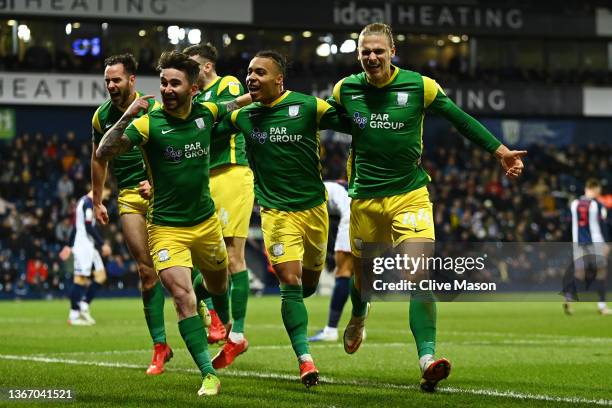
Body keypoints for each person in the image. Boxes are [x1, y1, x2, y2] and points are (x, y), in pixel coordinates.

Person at [329, 23, 527, 392]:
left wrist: (500, 152)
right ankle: (358, 315)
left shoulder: (421, 86)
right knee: (361, 279)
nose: (372, 57)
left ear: (392, 53)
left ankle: (427, 358)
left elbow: (460, 120)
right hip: (366, 200)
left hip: (410, 195)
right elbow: (323, 120)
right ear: (358, 54)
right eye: (365, 51)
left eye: (379, 51)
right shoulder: (344, 89)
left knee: (417, 275)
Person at [96, 51, 244, 397]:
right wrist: (125, 119)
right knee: (181, 297)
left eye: (175, 83)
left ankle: (226, 326)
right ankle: (208, 373)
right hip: (165, 227)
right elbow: (104, 152)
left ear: (194, 89)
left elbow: (238, 103)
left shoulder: (207, 112)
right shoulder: (148, 123)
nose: (167, 89)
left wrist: (267, 93)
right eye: (163, 82)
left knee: (219, 286)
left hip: (206, 223)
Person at [214, 50, 348, 388]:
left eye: (260, 73)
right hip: (276, 212)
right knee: (289, 280)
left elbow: (351, 123)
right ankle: (305, 360)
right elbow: (208, 120)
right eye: (249, 72)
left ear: (279, 79)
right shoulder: (244, 116)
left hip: (315, 211)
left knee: (309, 284)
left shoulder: (307, 106)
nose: (252, 78)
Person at [90, 53, 174, 376]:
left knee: (177, 264)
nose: (111, 85)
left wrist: (158, 182)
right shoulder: (101, 117)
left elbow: (171, 148)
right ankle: (159, 347)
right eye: (107, 80)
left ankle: (210, 313)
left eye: (117, 79)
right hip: (127, 195)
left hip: (161, 194)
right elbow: (99, 159)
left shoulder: (155, 109)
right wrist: (98, 200)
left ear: (132, 80)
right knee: (146, 270)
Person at [183, 43, 254, 366]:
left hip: (231, 172)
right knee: (207, 259)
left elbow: (236, 113)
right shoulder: (196, 98)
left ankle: (236, 333)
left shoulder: (228, 85)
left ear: (207, 66)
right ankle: (212, 315)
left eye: (193, 66)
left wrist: (207, 121)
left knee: (232, 255)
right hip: (203, 177)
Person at [309, 180, 354, 342]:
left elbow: (316, 226)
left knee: (343, 272)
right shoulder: (336, 190)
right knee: (358, 277)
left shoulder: (316, 192)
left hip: (352, 215)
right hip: (372, 213)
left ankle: (331, 330)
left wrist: (325, 254)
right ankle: (358, 327)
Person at [59, 190, 111, 326]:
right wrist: (102, 244)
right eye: (106, 194)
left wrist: (69, 245)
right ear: (101, 189)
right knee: (80, 279)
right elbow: (87, 227)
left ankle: (84, 304)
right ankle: (74, 315)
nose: (106, 197)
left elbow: (77, 226)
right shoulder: (87, 204)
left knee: (101, 275)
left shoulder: (84, 202)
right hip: (84, 246)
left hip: (88, 246)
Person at [565, 178, 610, 315]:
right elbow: (604, 225)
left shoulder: (574, 204)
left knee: (579, 273)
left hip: (578, 242)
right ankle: (602, 307)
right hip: (596, 242)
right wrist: (607, 243)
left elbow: (569, 222)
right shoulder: (598, 205)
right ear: (595, 189)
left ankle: (569, 299)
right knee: (601, 272)